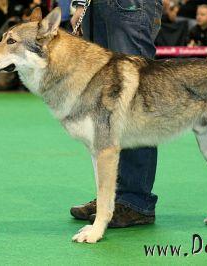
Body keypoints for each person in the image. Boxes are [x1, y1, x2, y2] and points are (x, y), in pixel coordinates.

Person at [69, 0, 162, 228]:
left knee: (134, 103)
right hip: (96, 6)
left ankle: (135, 201)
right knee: (105, 106)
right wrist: (81, 5)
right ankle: (109, 199)